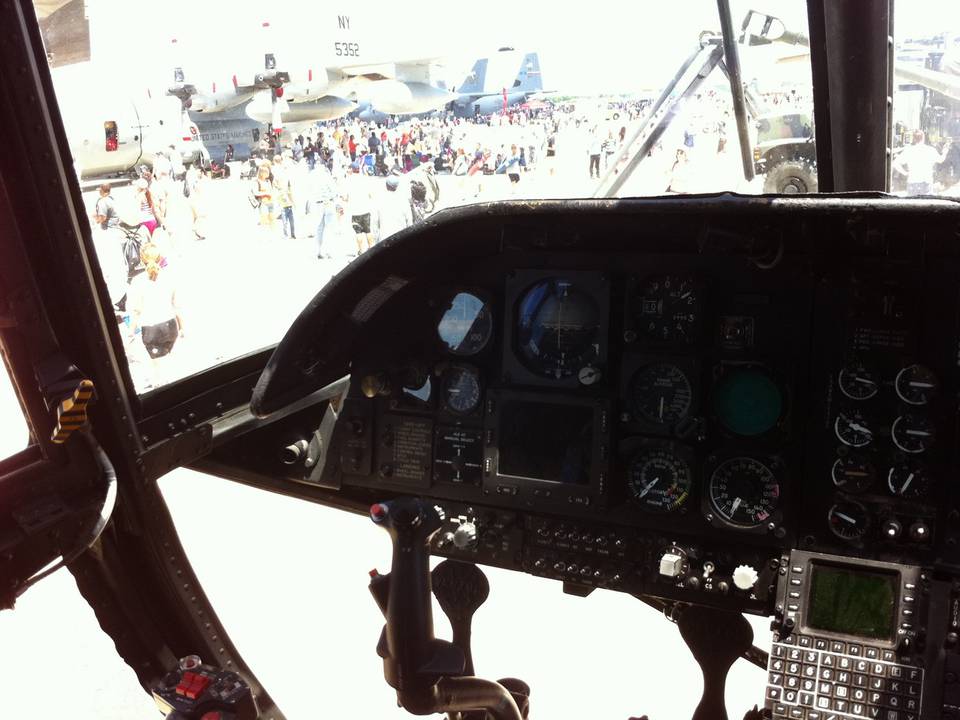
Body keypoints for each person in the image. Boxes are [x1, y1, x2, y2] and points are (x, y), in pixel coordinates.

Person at [126, 241, 183, 385]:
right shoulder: (169, 276)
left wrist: (131, 333)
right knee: (170, 362)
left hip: (151, 329)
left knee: (158, 369)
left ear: (142, 259)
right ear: (160, 257)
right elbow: (176, 305)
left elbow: (136, 310)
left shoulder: (137, 282)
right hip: (170, 325)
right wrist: (182, 327)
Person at [894, 130, 953, 195]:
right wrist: (945, 152)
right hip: (926, 183)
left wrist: (905, 173)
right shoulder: (930, 150)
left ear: (913, 139)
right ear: (923, 138)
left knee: (912, 204)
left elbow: (895, 164)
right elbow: (941, 160)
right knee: (925, 204)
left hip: (912, 183)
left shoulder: (908, 151)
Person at [311, 162, 339, 259]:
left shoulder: (312, 178)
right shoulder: (327, 177)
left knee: (319, 228)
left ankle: (319, 251)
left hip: (317, 204)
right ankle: (329, 251)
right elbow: (335, 191)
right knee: (329, 227)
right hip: (328, 203)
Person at [379, 176, 413, 240]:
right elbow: (409, 220)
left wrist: (376, 240)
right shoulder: (403, 200)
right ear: (397, 186)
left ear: (386, 185)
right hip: (401, 236)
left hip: (385, 238)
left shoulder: (380, 199)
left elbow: (375, 223)